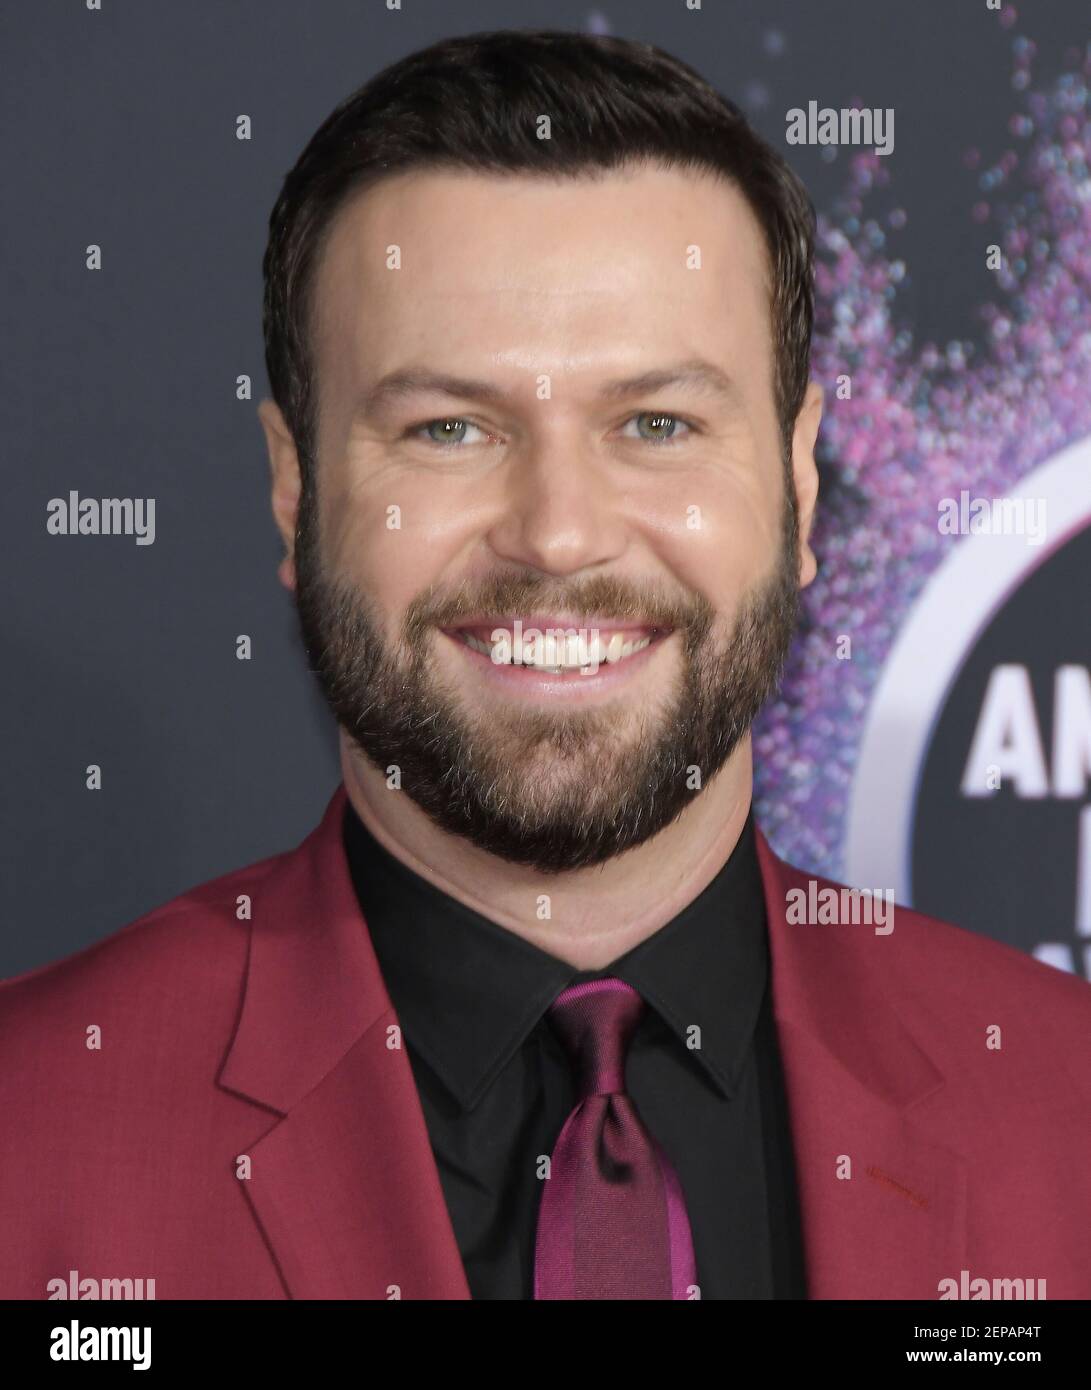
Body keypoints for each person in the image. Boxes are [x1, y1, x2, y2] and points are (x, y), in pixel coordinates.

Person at [2, 29, 1087, 1302]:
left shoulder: (1062, 1113)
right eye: (449, 428)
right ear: (295, 488)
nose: (558, 532)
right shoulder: (32, 1137)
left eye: (656, 423)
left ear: (797, 475)